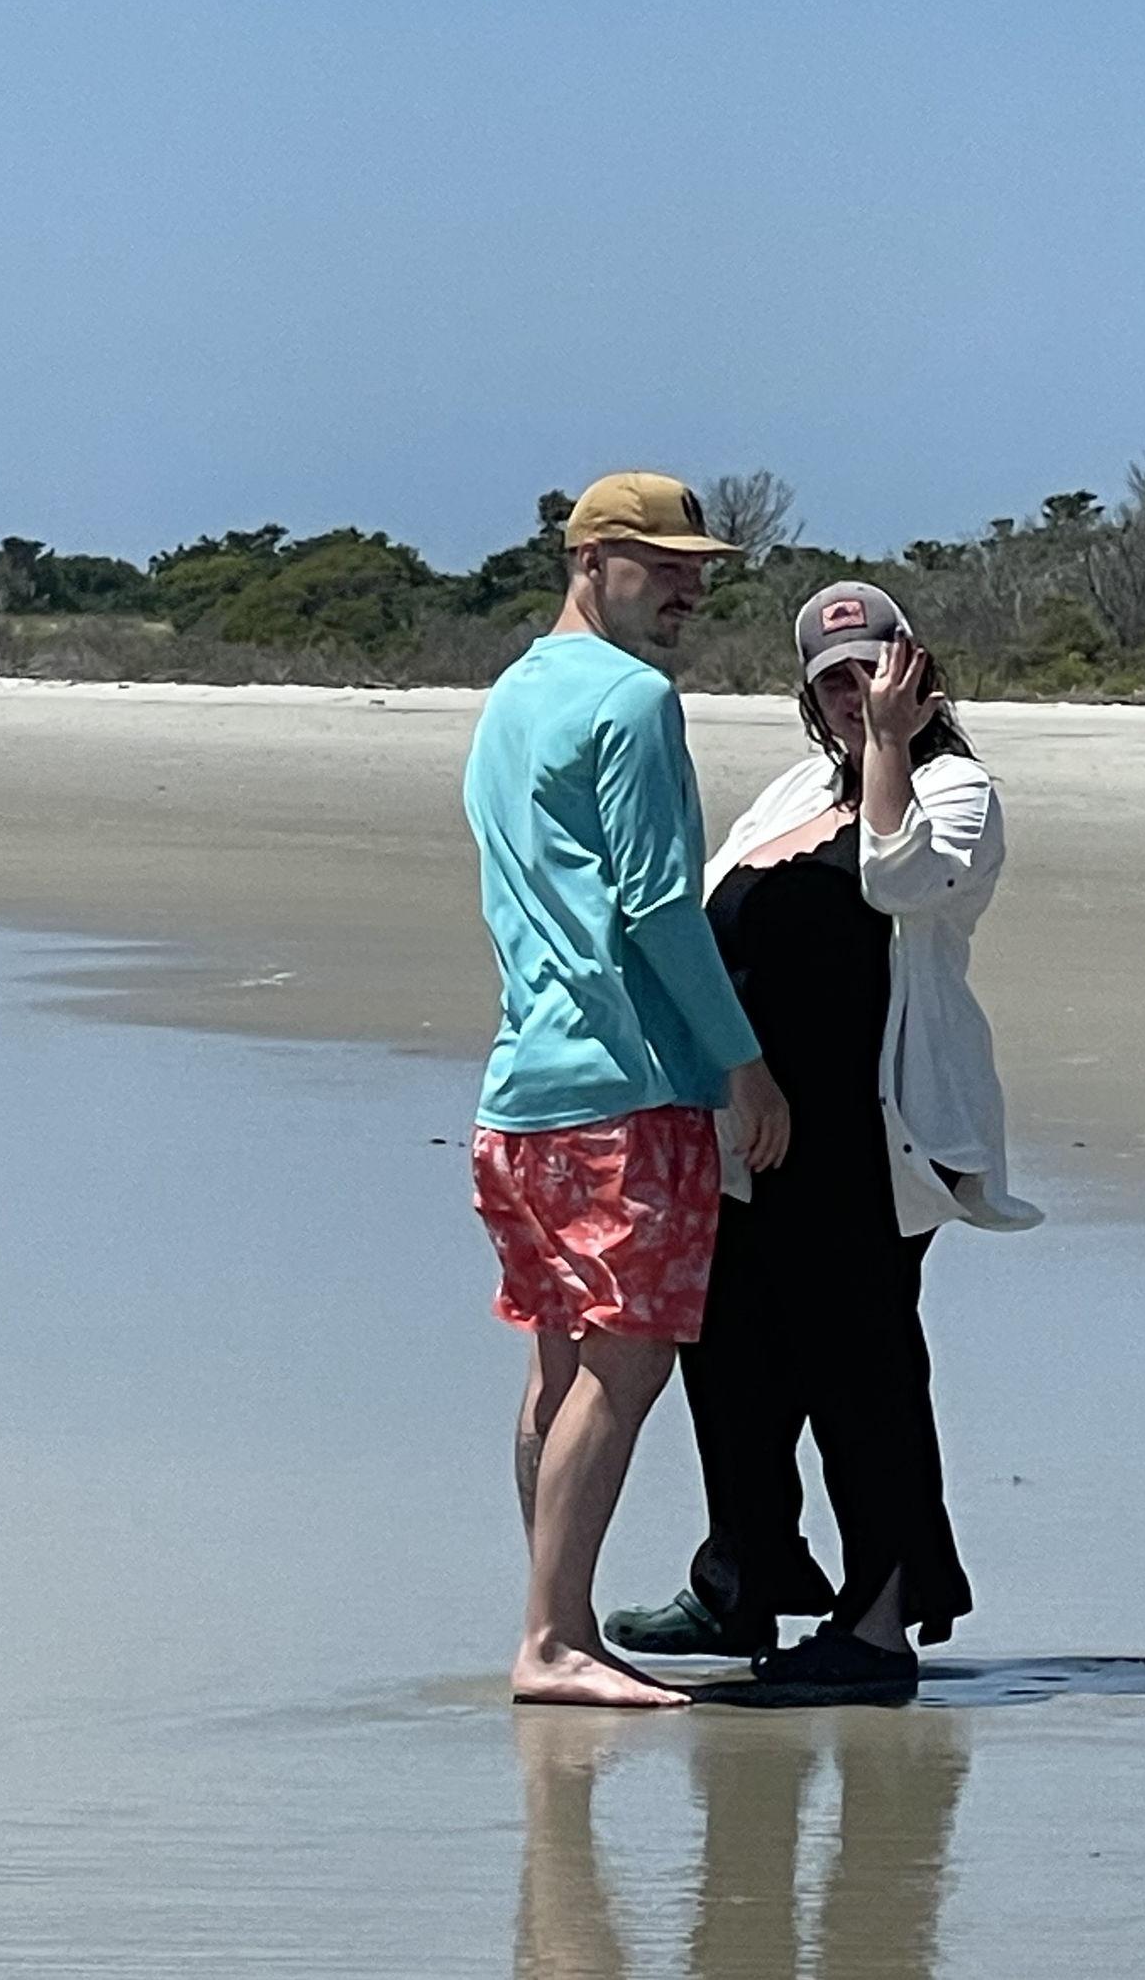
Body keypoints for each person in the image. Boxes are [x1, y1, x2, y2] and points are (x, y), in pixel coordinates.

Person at [605, 582, 1041, 1694]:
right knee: (732, 1356)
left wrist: (891, 745)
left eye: (872, 673)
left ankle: (884, 1614)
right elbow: (707, 919)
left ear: (914, 669)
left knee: (863, 1372)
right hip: (753, 1126)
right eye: (832, 683)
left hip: (872, 1131)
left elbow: (898, 878)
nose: (853, 699)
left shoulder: (956, 792)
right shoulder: (794, 788)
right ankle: (741, 1579)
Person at [464, 470, 791, 1709]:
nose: (689, 589)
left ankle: (559, 1618)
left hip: (519, 1094)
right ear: (590, 558)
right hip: (623, 1088)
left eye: (698, 568)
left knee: (560, 1365)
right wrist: (741, 1061)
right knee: (630, 1362)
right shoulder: (633, 700)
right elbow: (657, 903)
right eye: (663, 566)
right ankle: (552, 1637)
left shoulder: (509, 696)